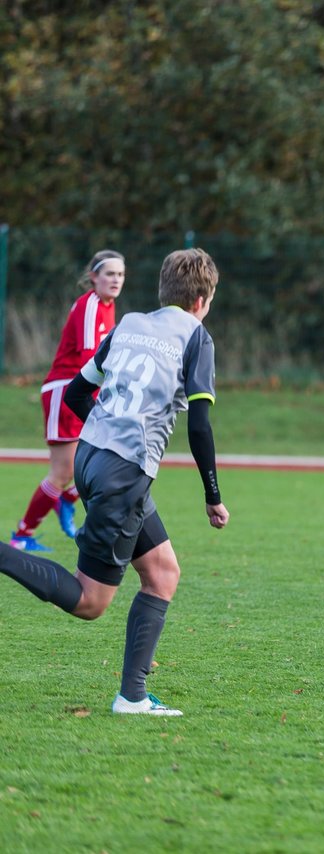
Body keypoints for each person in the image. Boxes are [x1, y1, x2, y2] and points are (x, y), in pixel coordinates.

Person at [0, 248, 229, 716]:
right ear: (203, 299)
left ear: (162, 290)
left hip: (92, 458)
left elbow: (78, 391)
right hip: (123, 475)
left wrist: (105, 432)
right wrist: (213, 497)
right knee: (90, 601)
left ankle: (134, 696)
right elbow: (200, 425)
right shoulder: (197, 337)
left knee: (163, 574)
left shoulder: (128, 325)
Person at [10, 249, 125, 552]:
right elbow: (91, 359)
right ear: (94, 277)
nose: (115, 279)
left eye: (120, 274)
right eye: (109, 273)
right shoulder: (89, 305)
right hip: (67, 390)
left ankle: (66, 499)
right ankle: (21, 536)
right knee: (62, 472)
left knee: (90, 462)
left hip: (85, 390)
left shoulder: (109, 307)